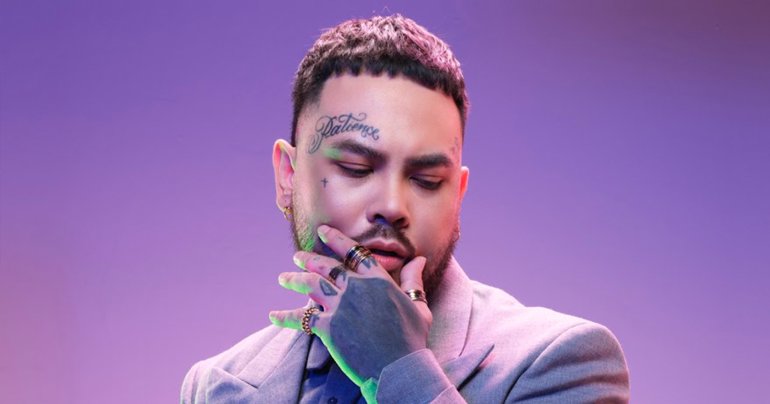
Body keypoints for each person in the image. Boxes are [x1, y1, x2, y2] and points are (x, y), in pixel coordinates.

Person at [181, 14, 630, 403]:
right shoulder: (215, 384)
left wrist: (397, 366)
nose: (393, 207)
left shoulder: (564, 362)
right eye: (356, 169)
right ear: (287, 177)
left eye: (426, 180)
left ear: (458, 194)